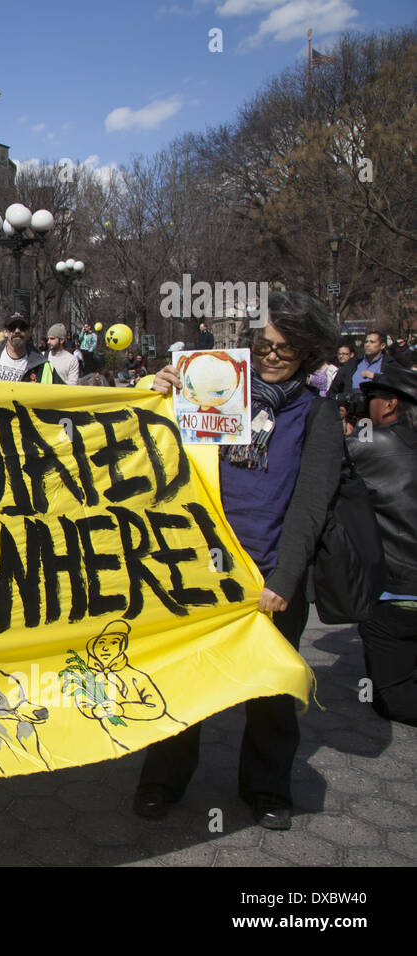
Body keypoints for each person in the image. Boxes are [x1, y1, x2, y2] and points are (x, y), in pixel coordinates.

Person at [133, 291, 342, 830]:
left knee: (271, 692)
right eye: (265, 344)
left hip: (268, 576)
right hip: (201, 569)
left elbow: (311, 503)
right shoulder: (220, 392)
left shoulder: (316, 413)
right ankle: (162, 780)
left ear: (309, 356)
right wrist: (153, 389)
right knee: (182, 681)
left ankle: (267, 787)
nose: (271, 356)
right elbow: (149, 439)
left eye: (286, 350)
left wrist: (285, 578)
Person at [347, 366, 417, 726]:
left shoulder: (372, 443)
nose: (364, 408)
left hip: (395, 600)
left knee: (390, 698)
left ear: (389, 405)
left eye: (370, 400)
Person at [0, 313, 62, 383]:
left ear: (29, 332)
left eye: (22, 327)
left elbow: (63, 394)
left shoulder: (42, 366)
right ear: (5, 332)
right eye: (12, 327)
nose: (17, 331)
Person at [331, 330, 384, 395]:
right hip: (353, 402)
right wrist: (341, 402)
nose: (367, 345)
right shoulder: (353, 363)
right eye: (366, 342)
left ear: (382, 346)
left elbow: (395, 382)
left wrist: (374, 376)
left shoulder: (388, 364)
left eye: (372, 342)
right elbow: (334, 389)